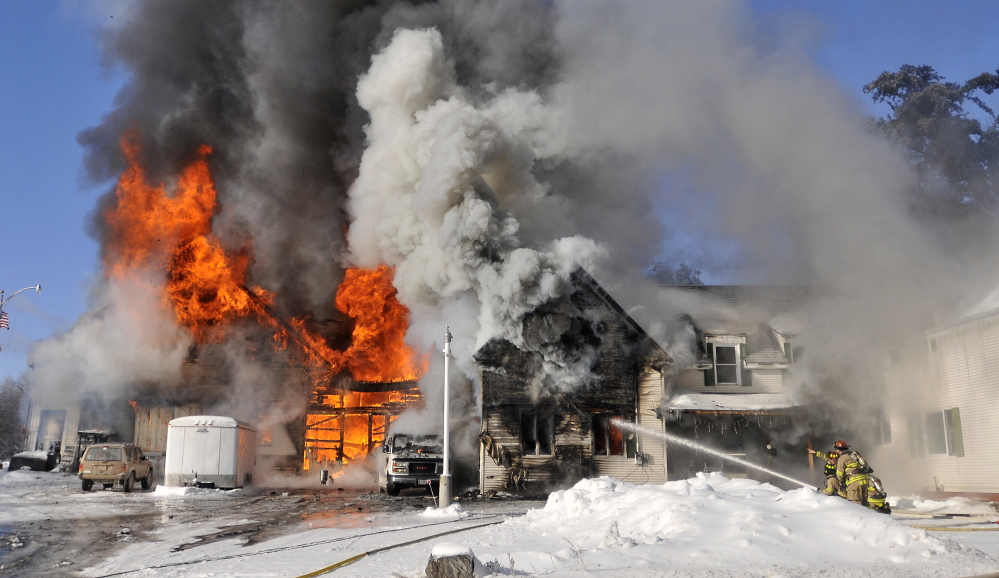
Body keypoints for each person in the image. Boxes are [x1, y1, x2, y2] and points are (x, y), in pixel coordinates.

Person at [833, 440, 870, 507]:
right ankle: (871, 516)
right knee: (865, 502)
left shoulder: (842, 458)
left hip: (855, 482)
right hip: (865, 480)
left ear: (839, 450)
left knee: (855, 503)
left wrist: (842, 482)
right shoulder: (854, 455)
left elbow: (839, 474)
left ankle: (858, 517)